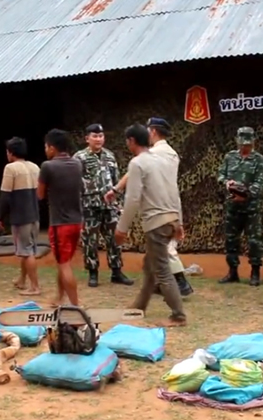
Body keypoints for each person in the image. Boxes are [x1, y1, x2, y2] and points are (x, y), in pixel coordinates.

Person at [106, 117, 194, 297]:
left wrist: (117, 189)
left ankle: (181, 283)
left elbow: (135, 173)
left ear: (152, 131)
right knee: (157, 248)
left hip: (157, 204)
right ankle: (159, 283)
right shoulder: (170, 152)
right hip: (169, 201)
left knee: (164, 246)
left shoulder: (156, 154)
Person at [116, 123, 186, 327]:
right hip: (170, 218)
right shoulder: (162, 161)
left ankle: (178, 315)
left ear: (131, 141)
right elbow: (174, 191)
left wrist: (122, 228)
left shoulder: (138, 163)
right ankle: (139, 307)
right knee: (150, 265)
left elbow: (132, 199)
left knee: (162, 270)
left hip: (156, 222)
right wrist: (178, 221)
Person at [74, 123, 132, 287]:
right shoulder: (79, 158)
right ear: (87, 139)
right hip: (89, 205)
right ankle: (93, 273)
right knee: (90, 241)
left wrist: (118, 202)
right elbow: (75, 184)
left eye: (101, 136)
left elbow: (117, 179)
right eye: (95, 136)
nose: (98, 139)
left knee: (114, 240)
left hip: (109, 205)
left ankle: (116, 272)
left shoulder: (110, 156)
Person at [217, 127, 263, 286]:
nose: (244, 146)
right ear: (237, 141)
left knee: (254, 240)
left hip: (251, 208)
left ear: (253, 142)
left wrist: (244, 194)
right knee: (231, 240)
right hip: (233, 206)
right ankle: (232, 272)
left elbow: (259, 184)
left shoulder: (259, 160)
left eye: (248, 144)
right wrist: (227, 183)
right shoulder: (229, 157)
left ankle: (255, 273)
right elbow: (220, 175)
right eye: (242, 143)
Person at [38, 129, 83, 306]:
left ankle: (75, 304)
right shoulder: (77, 164)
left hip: (59, 224)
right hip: (76, 221)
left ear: (52, 147)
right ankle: (60, 297)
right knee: (63, 261)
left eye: (46, 146)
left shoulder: (47, 166)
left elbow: (40, 195)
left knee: (64, 264)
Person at [0, 137, 41, 295]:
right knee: (27, 248)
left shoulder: (11, 168)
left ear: (10, 152)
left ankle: (35, 287)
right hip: (34, 215)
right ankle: (22, 280)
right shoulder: (35, 167)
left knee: (27, 251)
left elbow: (5, 195)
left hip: (21, 216)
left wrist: (1, 216)